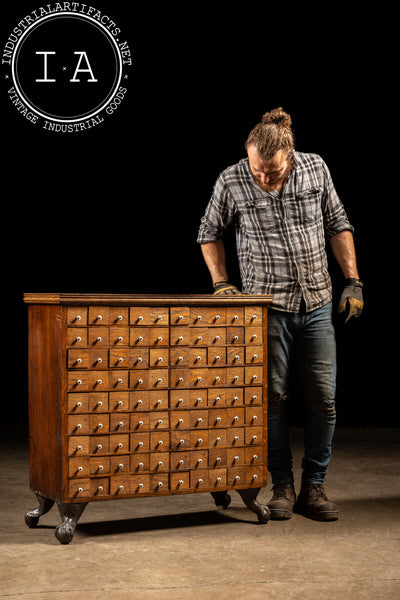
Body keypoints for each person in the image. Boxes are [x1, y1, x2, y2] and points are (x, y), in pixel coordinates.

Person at [197, 107, 363, 521]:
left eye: (271, 172)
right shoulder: (232, 179)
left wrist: (353, 281)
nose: (263, 179)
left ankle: (315, 487)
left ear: (290, 156)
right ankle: (282, 486)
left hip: (318, 302)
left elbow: (338, 222)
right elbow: (208, 232)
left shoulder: (316, 168)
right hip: (265, 309)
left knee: (324, 402)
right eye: (257, 170)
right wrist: (221, 282)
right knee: (273, 401)